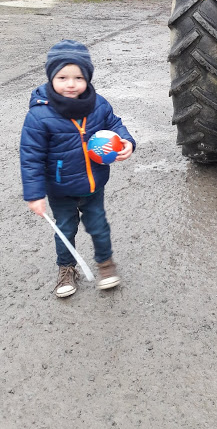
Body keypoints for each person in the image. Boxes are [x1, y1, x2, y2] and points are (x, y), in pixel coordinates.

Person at [20, 40, 136, 298]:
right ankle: (66, 269)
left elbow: (115, 124)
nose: (70, 84)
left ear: (88, 78)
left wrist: (127, 142)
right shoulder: (39, 116)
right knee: (65, 229)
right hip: (60, 190)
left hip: (93, 184)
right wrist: (35, 195)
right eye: (62, 77)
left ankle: (106, 265)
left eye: (78, 77)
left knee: (99, 226)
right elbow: (31, 157)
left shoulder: (98, 105)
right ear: (51, 78)